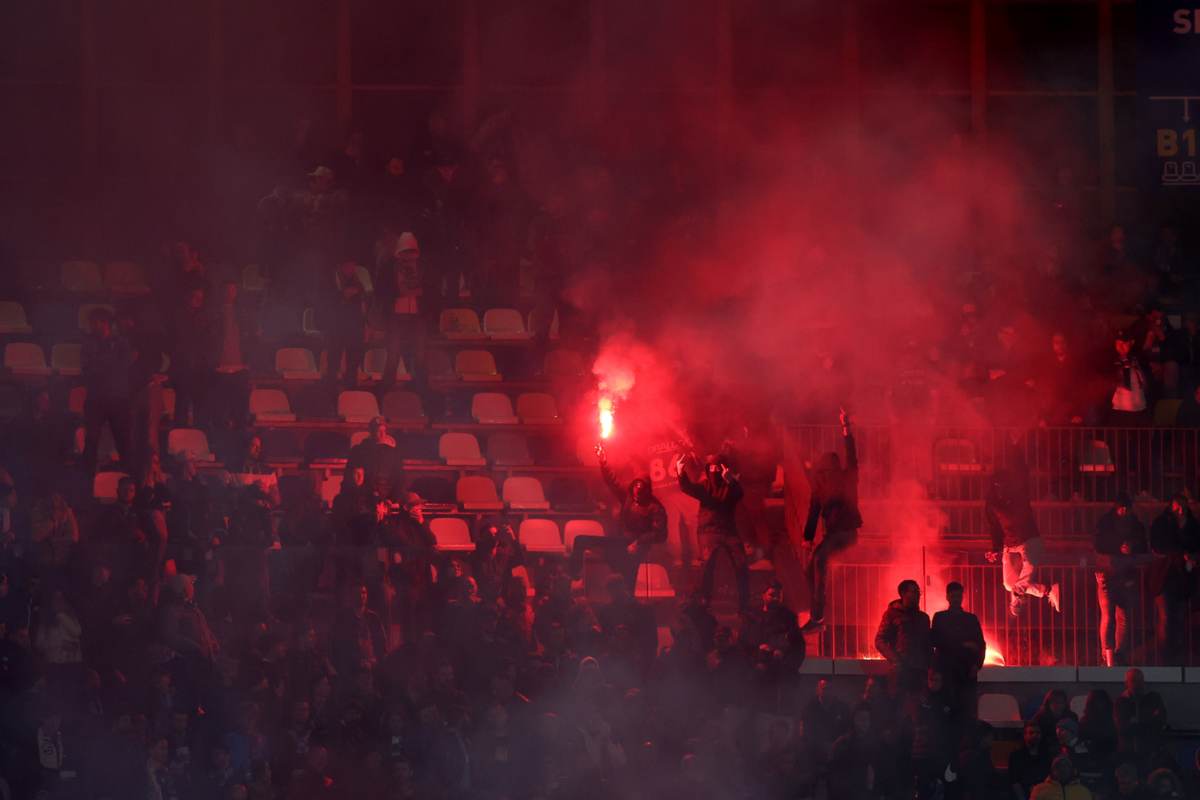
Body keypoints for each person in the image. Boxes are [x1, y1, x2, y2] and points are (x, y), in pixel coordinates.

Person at [570, 445, 667, 589]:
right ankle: (573, 577)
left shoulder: (655, 507)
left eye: (640, 488)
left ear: (646, 489)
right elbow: (612, 481)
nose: (636, 491)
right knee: (581, 540)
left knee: (628, 577)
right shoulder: (628, 497)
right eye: (635, 486)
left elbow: (660, 534)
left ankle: (627, 601)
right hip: (621, 542)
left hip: (638, 547)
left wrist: (638, 543)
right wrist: (603, 462)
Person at [800, 409, 862, 632]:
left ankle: (817, 617)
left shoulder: (847, 479)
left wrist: (847, 430)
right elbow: (813, 512)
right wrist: (807, 538)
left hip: (845, 534)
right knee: (811, 570)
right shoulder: (821, 488)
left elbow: (852, 456)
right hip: (834, 535)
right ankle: (818, 609)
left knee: (818, 563)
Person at [985, 465, 1061, 617]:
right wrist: (995, 548)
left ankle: (1027, 597)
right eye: (997, 486)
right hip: (1010, 544)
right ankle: (1047, 590)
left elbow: (996, 525)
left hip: (1028, 540)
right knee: (1009, 584)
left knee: (1017, 584)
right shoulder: (992, 504)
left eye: (1003, 485)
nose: (1000, 489)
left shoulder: (1018, 496)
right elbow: (994, 526)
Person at [676, 450, 746, 611]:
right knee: (707, 565)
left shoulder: (730, 485)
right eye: (712, 468)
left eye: (718, 468)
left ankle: (744, 604)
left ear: (724, 469)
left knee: (741, 564)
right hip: (708, 530)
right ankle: (704, 602)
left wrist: (731, 482)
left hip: (728, 530)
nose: (714, 471)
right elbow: (689, 488)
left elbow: (739, 494)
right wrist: (680, 472)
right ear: (708, 469)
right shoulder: (705, 486)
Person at [1094, 493, 1149, 666]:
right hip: (1109, 574)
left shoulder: (1134, 525)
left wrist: (1131, 547)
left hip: (1124, 575)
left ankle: (1117, 655)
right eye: (1121, 508)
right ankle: (1108, 655)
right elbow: (1098, 544)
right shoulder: (1106, 523)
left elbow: (1143, 545)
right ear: (1116, 507)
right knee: (1109, 616)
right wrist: (1120, 547)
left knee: (1122, 617)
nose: (1124, 511)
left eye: (1126, 508)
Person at [81, 307, 134, 471]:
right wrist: (110, 363)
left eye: (93, 322)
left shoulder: (121, 342)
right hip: (96, 399)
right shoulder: (88, 342)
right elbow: (88, 368)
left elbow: (124, 366)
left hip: (117, 399)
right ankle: (87, 480)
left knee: (123, 441)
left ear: (103, 323)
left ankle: (127, 478)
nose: (90, 326)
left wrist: (104, 363)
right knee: (91, 441)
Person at [1149, 494, 1200, 663]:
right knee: (1167, 620)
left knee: (1178, 619)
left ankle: (1176, 657)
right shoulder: (1163, 524)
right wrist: (1182, 554)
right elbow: (1159, 546)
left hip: (1183, 580)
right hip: (1166, 577)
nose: (1180, 510)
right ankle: (1166, 658)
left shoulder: (1191, 525)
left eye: (1183, 506)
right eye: (1177, 505)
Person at [930, 580, 985, 723]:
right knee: (946, 709)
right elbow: (936, 640)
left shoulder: (970, 619)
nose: (956, 599)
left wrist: (976, 665)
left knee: (966, 710)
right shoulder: (940, 618)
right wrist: (965, 645)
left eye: (958, 596)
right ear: (947, 597)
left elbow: (980, 644)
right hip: (946, 671)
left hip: (966, 671)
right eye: (953, 596)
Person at [379, 232, 424, 388]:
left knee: (419, 354)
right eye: (406, 252)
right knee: (393, 353)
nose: (409, 256)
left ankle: (419, 388)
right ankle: (387, 390)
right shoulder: (391, 268)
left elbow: (423, 291)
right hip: (396, 316)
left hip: (416, 315)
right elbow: (387, 291)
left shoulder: (420, 269)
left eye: (411, 252)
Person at [874, 579, 932, 699]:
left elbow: (927, 644)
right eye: (914, 591)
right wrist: (895, 661)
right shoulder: (891, 614)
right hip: (901, 671)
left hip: (920, 672)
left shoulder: (924, 618)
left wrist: (929, 665)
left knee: (918, 709)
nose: (918, 595)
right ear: (903, 594)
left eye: (918, 592)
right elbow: (880, 640)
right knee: (898, 707)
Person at [326, 260, 367, 387]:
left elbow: (363, 304)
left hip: (355, 326)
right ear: (342, 265)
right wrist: (343, 295)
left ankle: (351, 387)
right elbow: (326, 301)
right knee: (334, 360)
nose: (352, 268)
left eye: (353, 265)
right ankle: (331, 388)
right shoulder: (331, 280)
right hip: (337, 325)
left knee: (353, 362)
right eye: (349, 265)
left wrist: (365, 324)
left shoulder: (358, 281)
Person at [1110, 330, 1149, 425]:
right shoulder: (1111, 360)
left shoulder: (1138, 359)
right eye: (1118, 343)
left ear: (1132, 342)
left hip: (1140, 409)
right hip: (1119, 410)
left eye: (1124, 343)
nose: (1120, 346)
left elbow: (1146, 383)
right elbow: (1109, 383)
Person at [1009, 721, 1054, 800]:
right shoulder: (1016, 756)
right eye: (1031, 732)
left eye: (1038, 732)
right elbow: (1014, 781)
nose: (1035, 735)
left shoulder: (1047, 755)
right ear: (1025, 735)